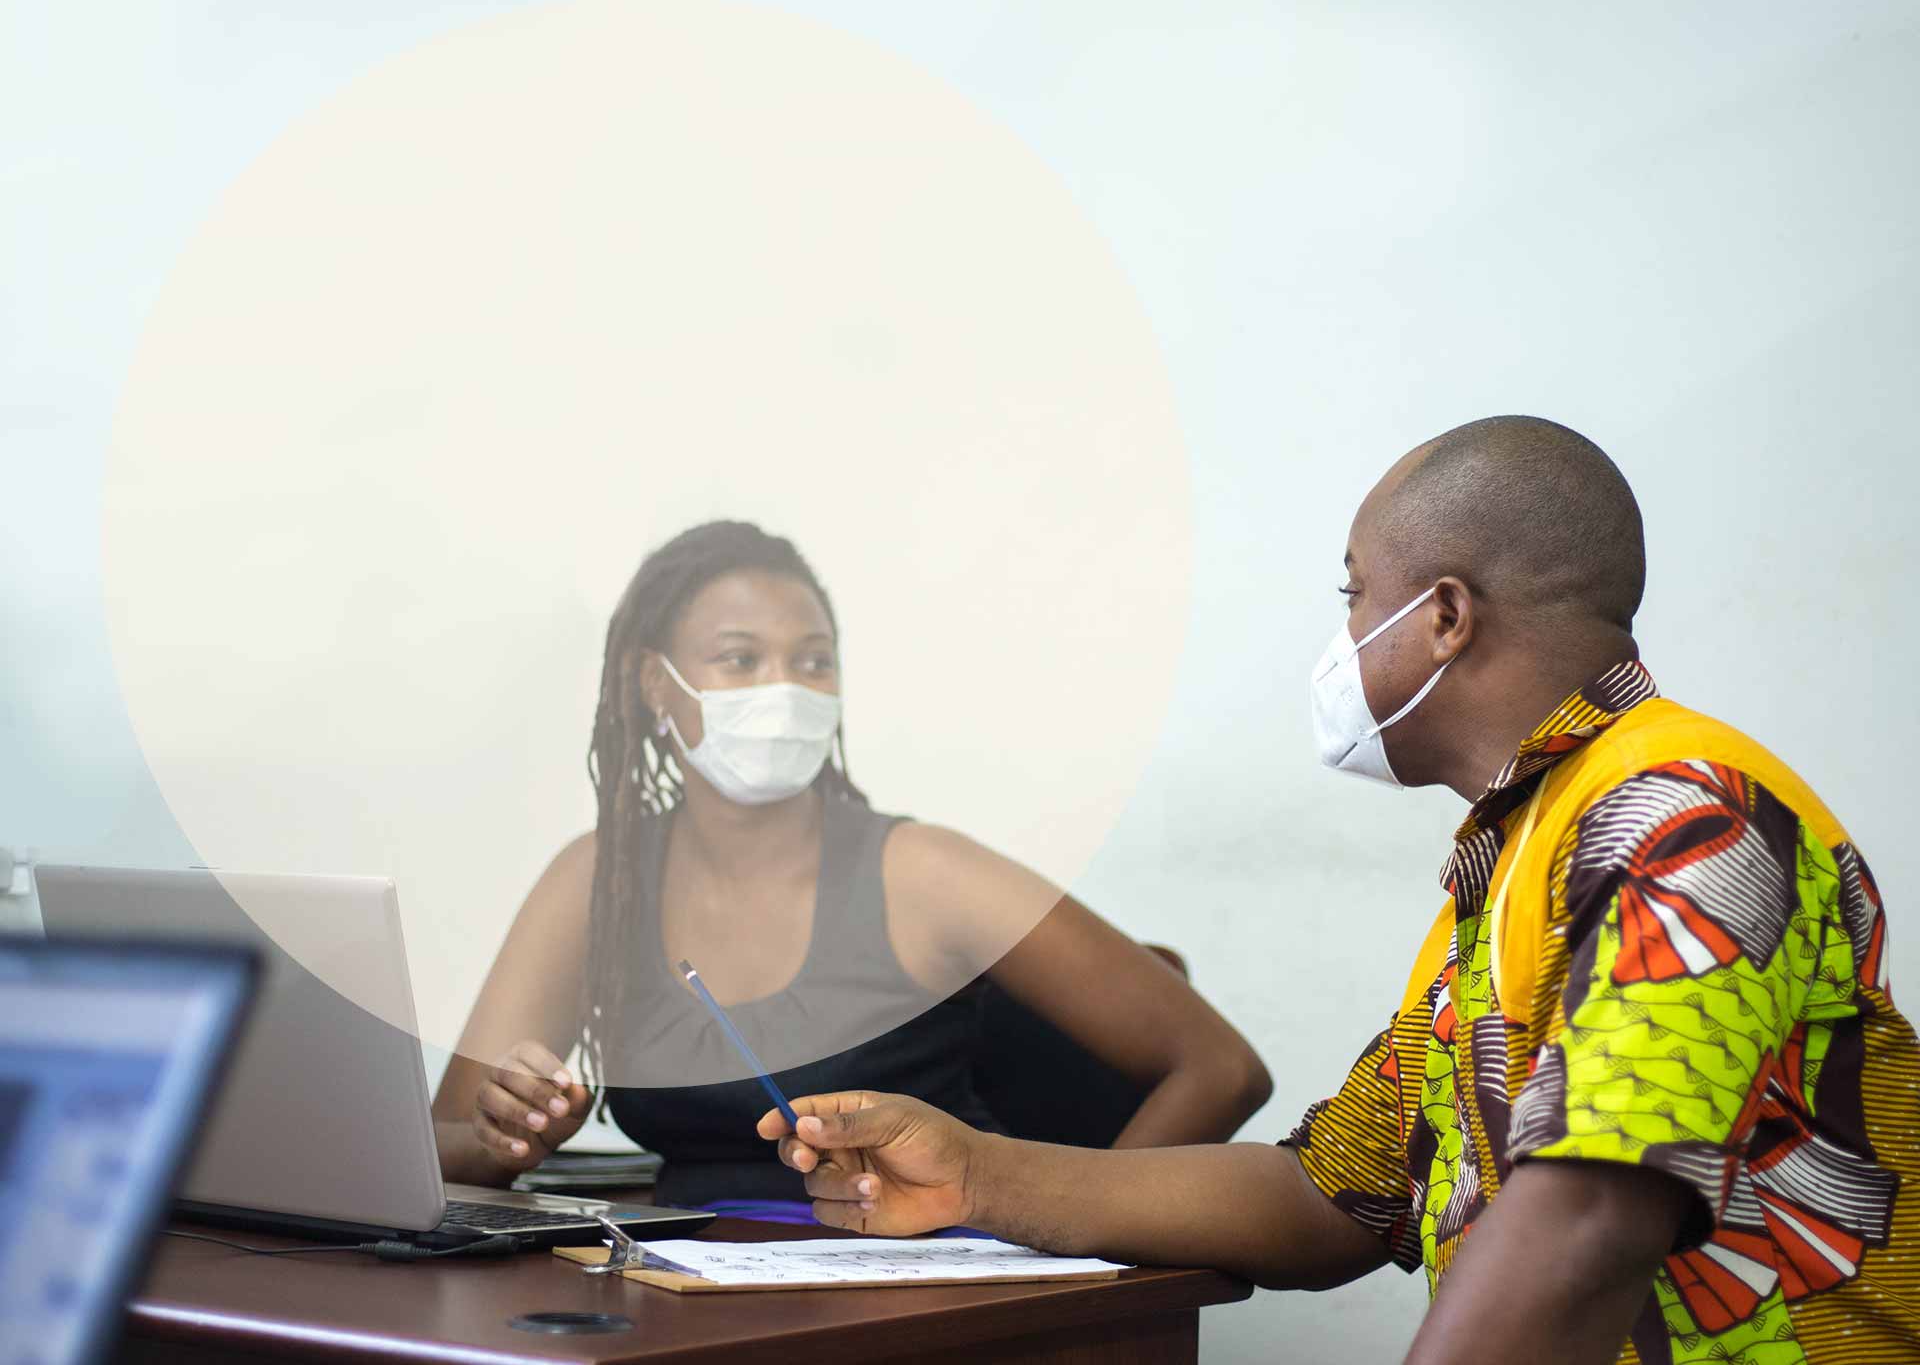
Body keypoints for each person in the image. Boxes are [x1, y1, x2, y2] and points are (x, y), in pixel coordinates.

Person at [754, 418, 1920, 1365]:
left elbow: (1590, 1218)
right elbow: (1328, 1197)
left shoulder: (1679, 815)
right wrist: (975, 1174)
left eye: (1357, 595)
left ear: (1447, 618)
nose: (1345, 636)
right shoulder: (1518, 856)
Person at [432, 521, 1271, 1212]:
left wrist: (1056, 1223)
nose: (785, 689)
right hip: (675, 1304)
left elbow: (1220, 1070)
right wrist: (504, 1141)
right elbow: (439, 1148)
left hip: (922, 1302)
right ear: (655, 683)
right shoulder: (597, 880)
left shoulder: (924, 873)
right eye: (739, 659)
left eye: (812, 661)